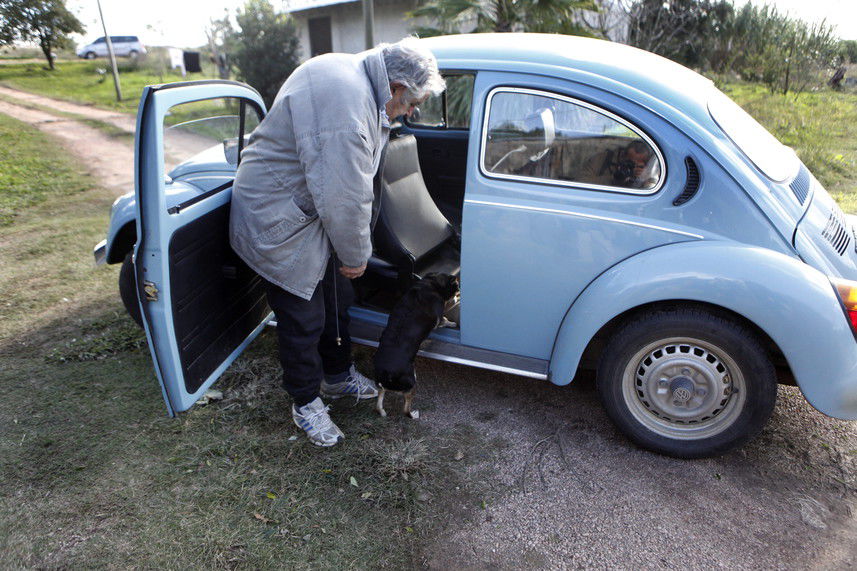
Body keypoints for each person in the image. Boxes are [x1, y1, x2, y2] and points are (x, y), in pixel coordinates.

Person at [229, 38, 445, 446]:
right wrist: (355, 254)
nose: (412, 112)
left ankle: (337, 375)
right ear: (396, 85)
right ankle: (306, 401)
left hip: (311, 213)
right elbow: (343, 196)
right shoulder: (345, 107)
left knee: (338, 298)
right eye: (413, 102)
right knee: (303, 316)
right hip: (280, 220)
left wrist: (350, 253)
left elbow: (347, 190)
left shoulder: (364, 84)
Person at [580, 140, 658, 189]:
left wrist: (643, 179)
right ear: (623, 156)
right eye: (630, 163)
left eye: (639, 165)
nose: (633, 168)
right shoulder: (604, 159)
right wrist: (614, 178)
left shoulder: (649, 170)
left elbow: (652, 188)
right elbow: (581, 181)